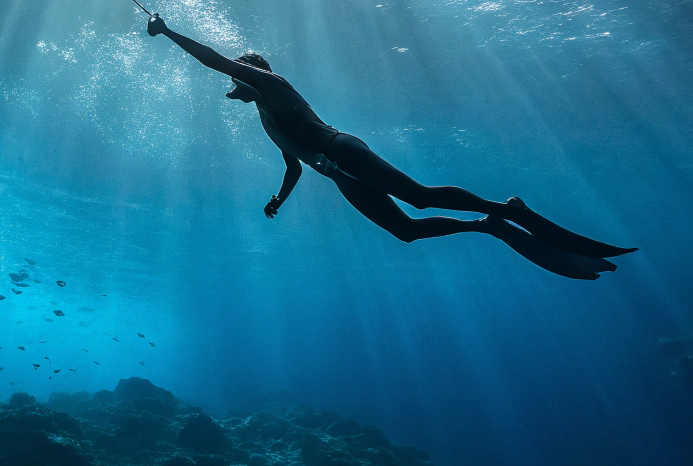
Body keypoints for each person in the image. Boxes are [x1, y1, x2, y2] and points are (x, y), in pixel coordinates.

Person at [146, 14, 636, 279]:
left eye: (239, 72)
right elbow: (293, 165)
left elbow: (213, 60)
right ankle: (489, 225)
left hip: (344, 151)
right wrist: (279, 198)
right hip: (337, 173)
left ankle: (509, 209)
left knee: (419, 196)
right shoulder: (263, 115)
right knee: (406, 230)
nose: (233, 82)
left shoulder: (272, 84)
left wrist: (167, 32)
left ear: (250, 71)